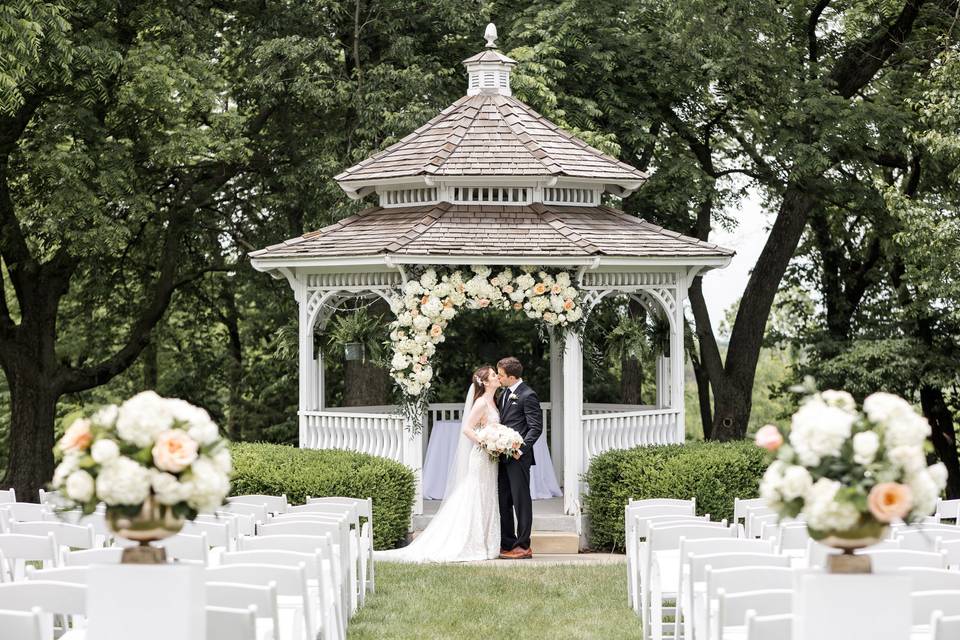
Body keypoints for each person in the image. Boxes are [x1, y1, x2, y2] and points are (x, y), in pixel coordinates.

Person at [374, 366, 502, 563]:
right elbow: (467, 429)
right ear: (484, 382)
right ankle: (472, 543)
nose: (497, 377)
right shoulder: (480, 403)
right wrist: (485, 443)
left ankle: (487, 543)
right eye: (494, 375)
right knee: (476, 493)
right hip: (481, 455)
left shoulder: (493, 401)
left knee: (487, 496)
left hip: (490, 458)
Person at [495, 356, 543, 560]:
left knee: (520, 501)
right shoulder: (504, 394)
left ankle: (523, 545)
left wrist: (520, 449)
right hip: (502, 457)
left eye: (501, 375)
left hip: (518, 458)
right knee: (503, 500)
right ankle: (507, 542)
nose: (498, 378)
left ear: (512, 377)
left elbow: (535, 428)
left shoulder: (528, 395)